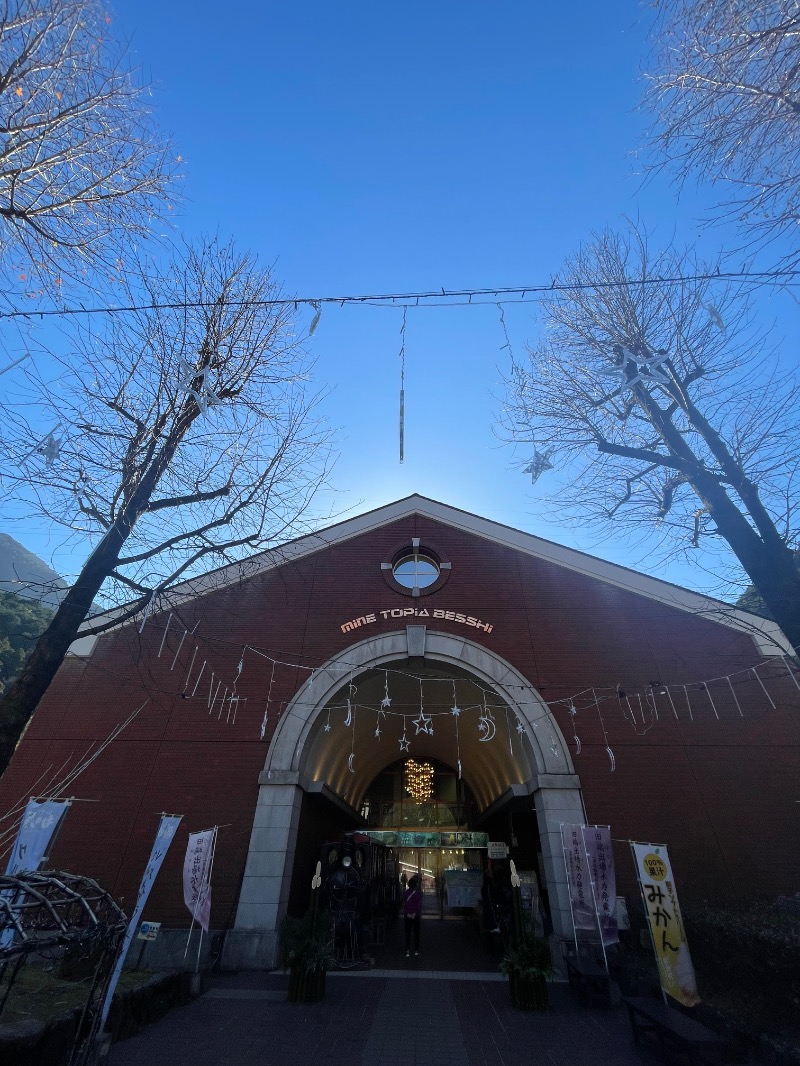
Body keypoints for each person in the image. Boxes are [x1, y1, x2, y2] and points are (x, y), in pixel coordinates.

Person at [403, 874, 422, 958]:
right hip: (416, 916)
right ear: (416, 885)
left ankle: (407, 950)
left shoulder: (405, 893)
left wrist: (408, 913)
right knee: (416, 933)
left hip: (407, 916)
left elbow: (404, 904)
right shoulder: (418, 894)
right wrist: (415, 913)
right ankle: (416, 950)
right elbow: (419, 905)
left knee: (408, 933)